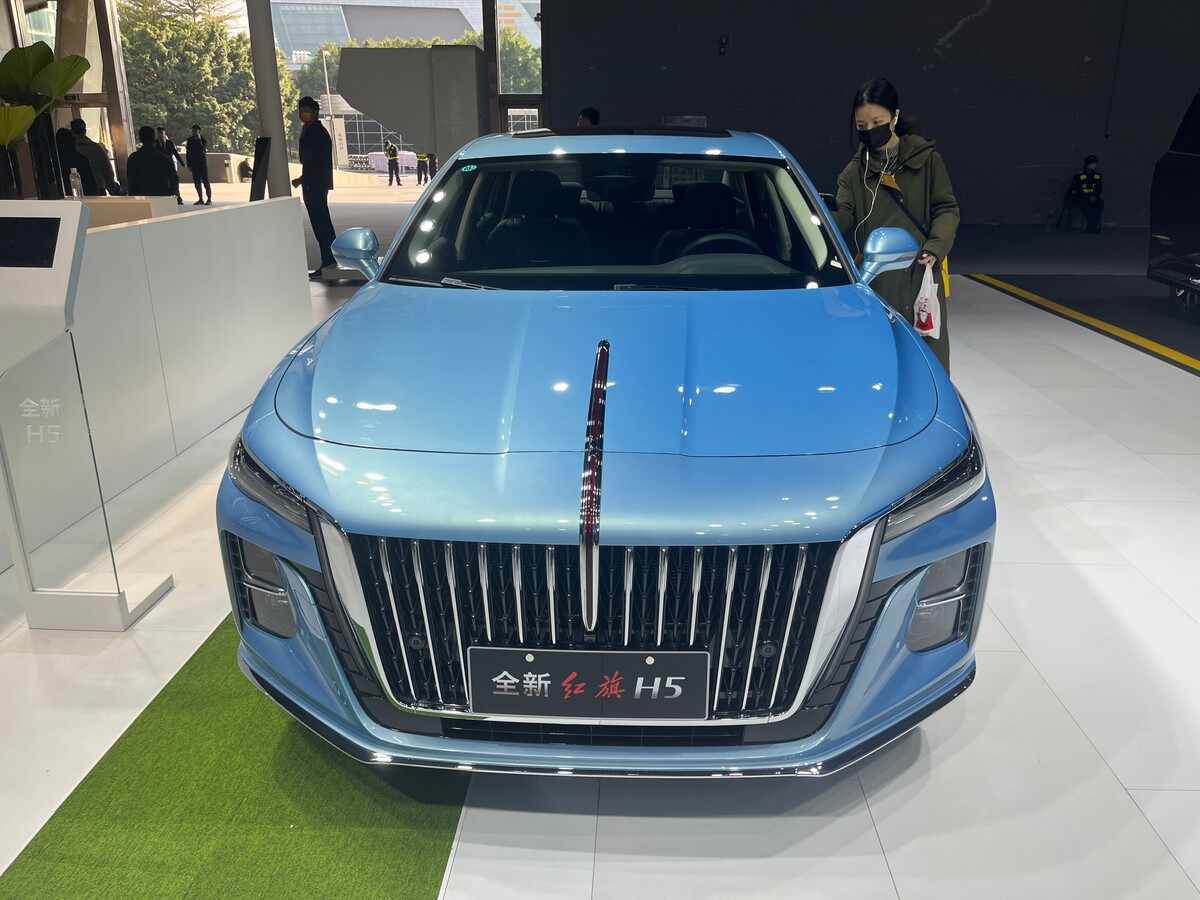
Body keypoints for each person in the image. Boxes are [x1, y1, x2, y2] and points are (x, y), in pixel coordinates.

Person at [833, 77, 959, 372]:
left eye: (877, 122)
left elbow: (946, 208)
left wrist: (936, 246)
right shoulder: (854, 173)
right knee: (881, 363)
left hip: (920, 277)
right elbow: (843, 214)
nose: (869, 130)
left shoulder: (927, 161)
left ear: (895, 117)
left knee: (927, 363)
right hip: (876, 280)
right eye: (861, 125)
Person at [292, 96, 337, 279]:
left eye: (306, 111)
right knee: (321, 223)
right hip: (314, 182)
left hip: (315, 184)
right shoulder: (313, 130)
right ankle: (330, 261)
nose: (303, 114)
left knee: (321, 224)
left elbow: (314, 161)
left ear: (315, 112)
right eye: (301, 111)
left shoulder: (315, 131)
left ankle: (329, 261)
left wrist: (305, 179)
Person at [69, 118, 121, 195]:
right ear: (85, 130)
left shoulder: (71, 150)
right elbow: (107, 170)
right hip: (98, 189)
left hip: (76, 190)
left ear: (72, 131)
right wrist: (112, 187)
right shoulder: (96, 148)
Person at [126, 125, 180, 197]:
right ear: (154, 138)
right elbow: (174, 180)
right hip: (161, 196)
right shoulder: (165, 159)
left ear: (140, 139)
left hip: (141, 196)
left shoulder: (133, 158)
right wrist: (174, 195)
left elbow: (131, 181)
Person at [1059, 154, 1104, 233]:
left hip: (1093, 197)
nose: (1094, 165)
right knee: (1086, 204)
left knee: (1100, 203)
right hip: (1082, 197)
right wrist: (1088, 196)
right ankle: (1091, 227)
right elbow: (1077, 188)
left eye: (1095, 163)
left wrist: (1094, 196)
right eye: (1092, 163)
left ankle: (1093, 226)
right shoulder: (1080, 175)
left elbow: (1099, 189)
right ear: (1087, 164)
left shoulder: (1097, 176)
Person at [55, 127, 98, 197]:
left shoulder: (54, 162)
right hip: (83, 197)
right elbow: (91, 186)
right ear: (73, 141)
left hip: (61, 198)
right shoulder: (81, 159)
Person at [156, 127, 185, 204]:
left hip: (170, 165)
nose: (160, 135)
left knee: (175, 182)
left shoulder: (169, 143)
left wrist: (182, 163)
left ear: (164, 133)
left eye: (162, 133)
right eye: (159, 133)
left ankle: (178, 198)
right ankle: (167, 199)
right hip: (160, 167)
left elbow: (175, 153)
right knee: (163, 183)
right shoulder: (155, 143)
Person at [185, 124, 211, 205]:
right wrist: (189, 164)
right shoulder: (189, 140)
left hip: (202, 163)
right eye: (193, 131)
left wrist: (199, 140)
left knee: (205, 181)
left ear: (199, 131)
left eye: (196, 131)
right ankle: (200, 199)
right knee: (197, 182)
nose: (194, 132)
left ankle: (209, 199)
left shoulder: (203, 140)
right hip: (194, 164)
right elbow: (188, 153)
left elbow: (203, 150)